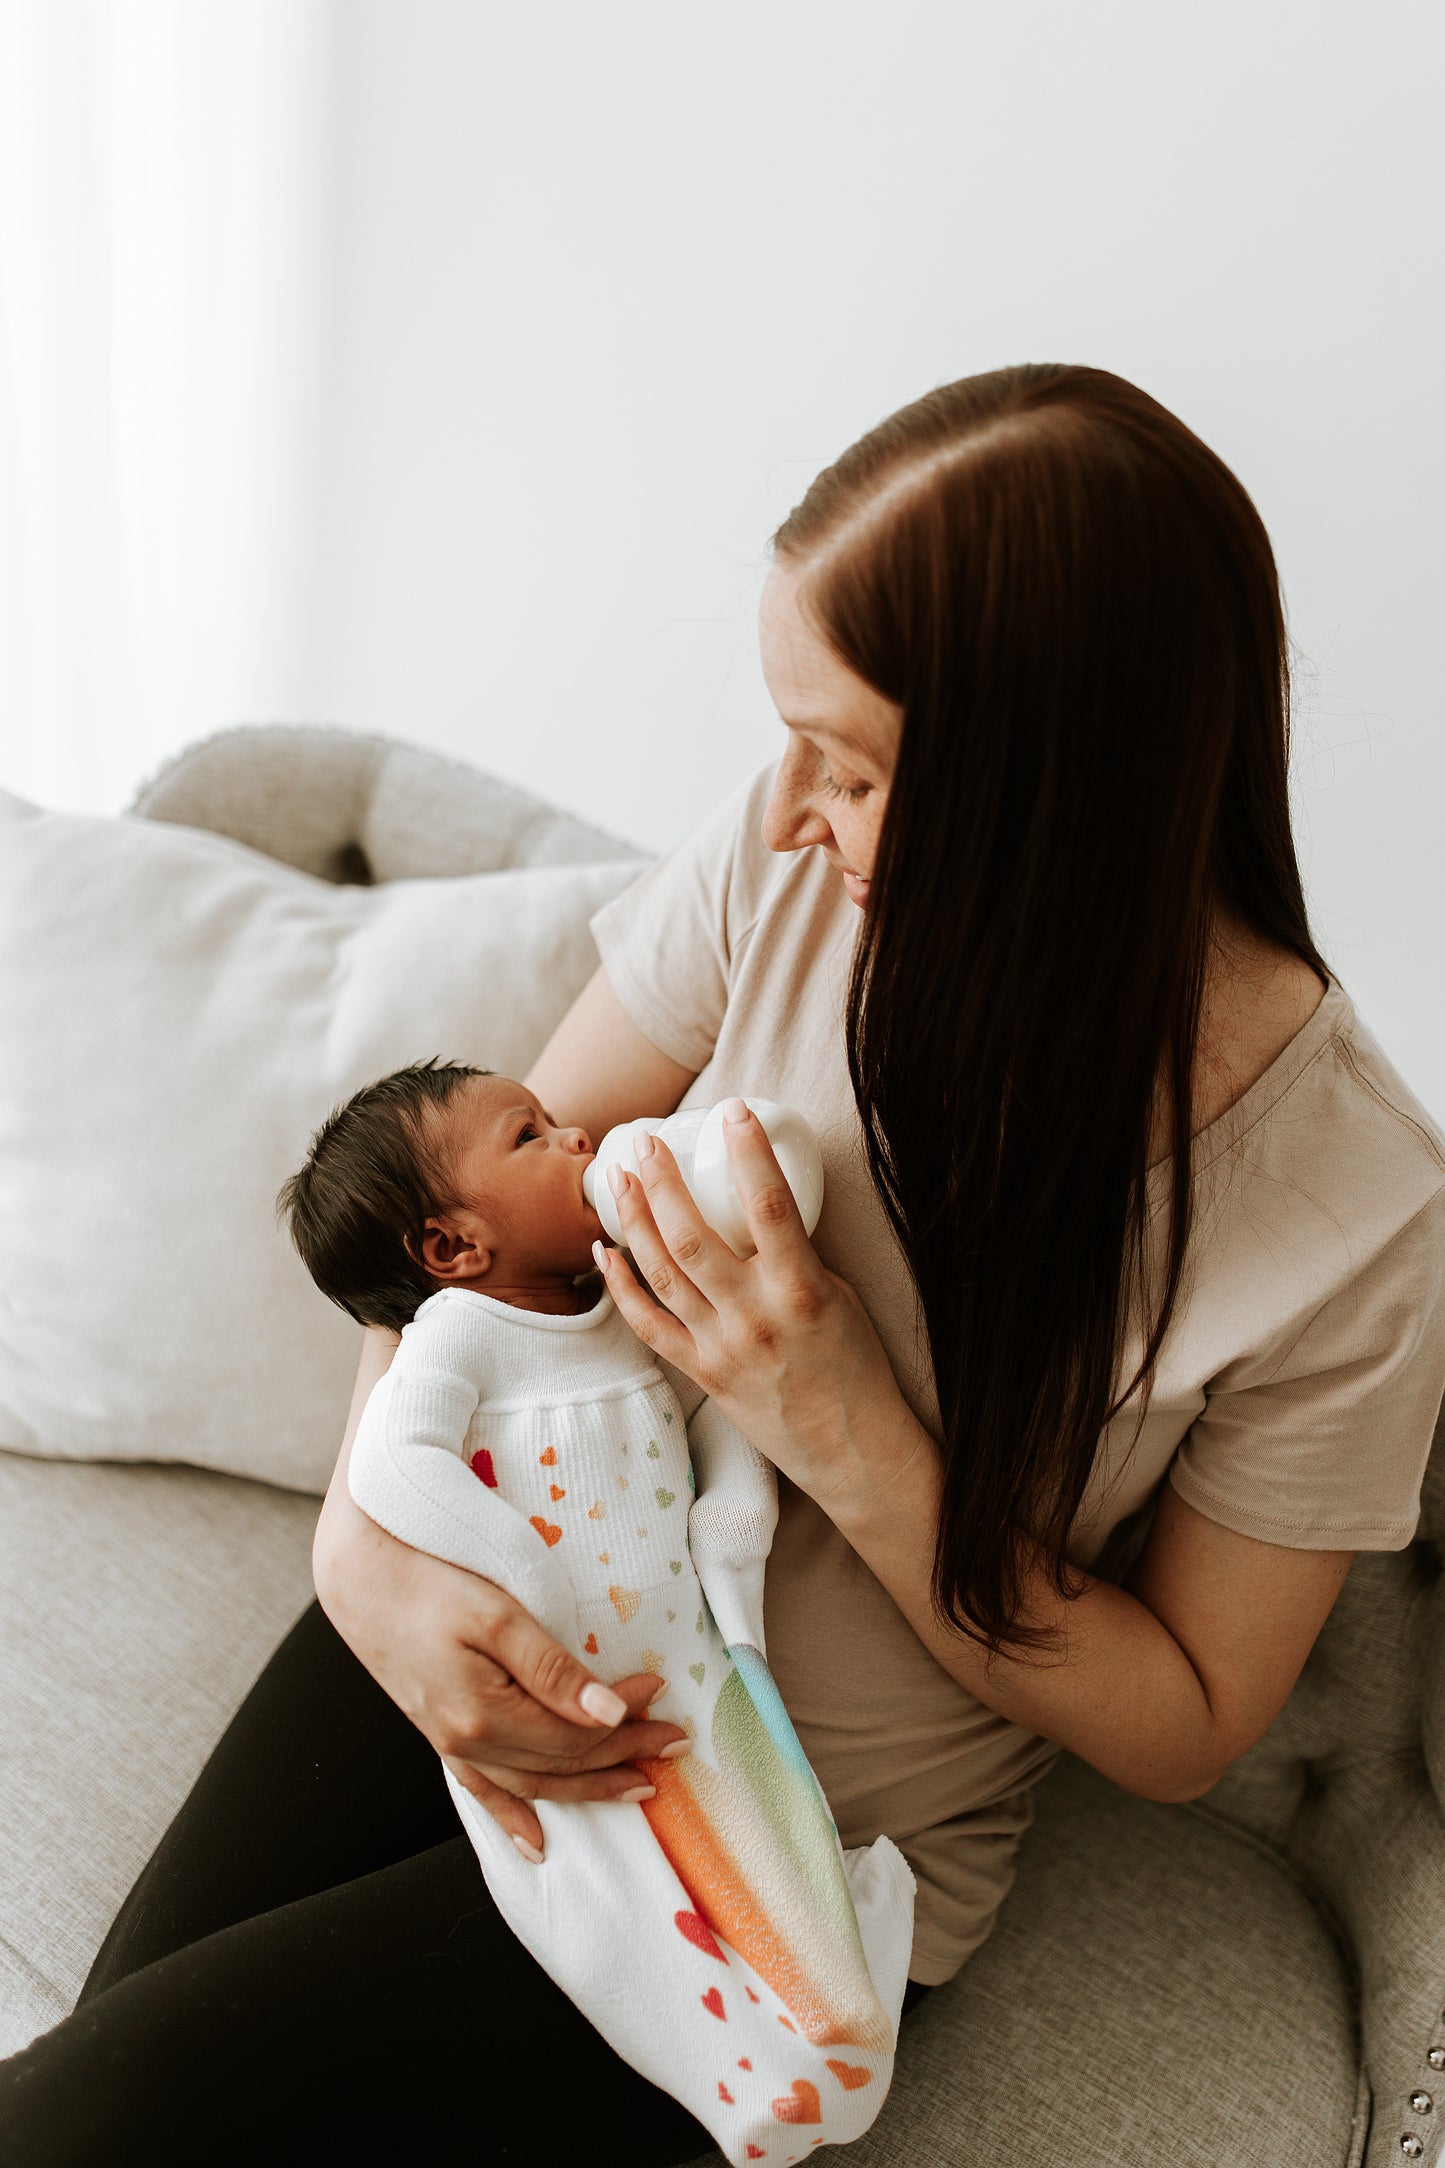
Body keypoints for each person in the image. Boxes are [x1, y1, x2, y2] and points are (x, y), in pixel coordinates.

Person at [4, 362, 1444, 2167]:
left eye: (848, 766)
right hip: (506, 1584)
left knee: (92, 2125)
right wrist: (367, 1561)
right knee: (83, 2085)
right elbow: (465, 1246)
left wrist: (840, 1413)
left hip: (763, 1824)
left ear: (1051, 808)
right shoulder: (793, 884)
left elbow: (1185, 1723)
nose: (780, 814)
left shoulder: (1355, 1211)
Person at [276, 1057, 913, 2156]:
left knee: (771, 1831)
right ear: (451, 1248)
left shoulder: (620, 1311)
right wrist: (518, 1573)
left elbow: (715, 1408)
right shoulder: (461, 1337)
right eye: (531, 1136)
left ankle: (835, 2025)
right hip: (554, 1693)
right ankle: (733, 2084)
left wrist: (732, 1518)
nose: (579, 1139)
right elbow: (393, 1464)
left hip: (686, 1655)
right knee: (611, 1902)